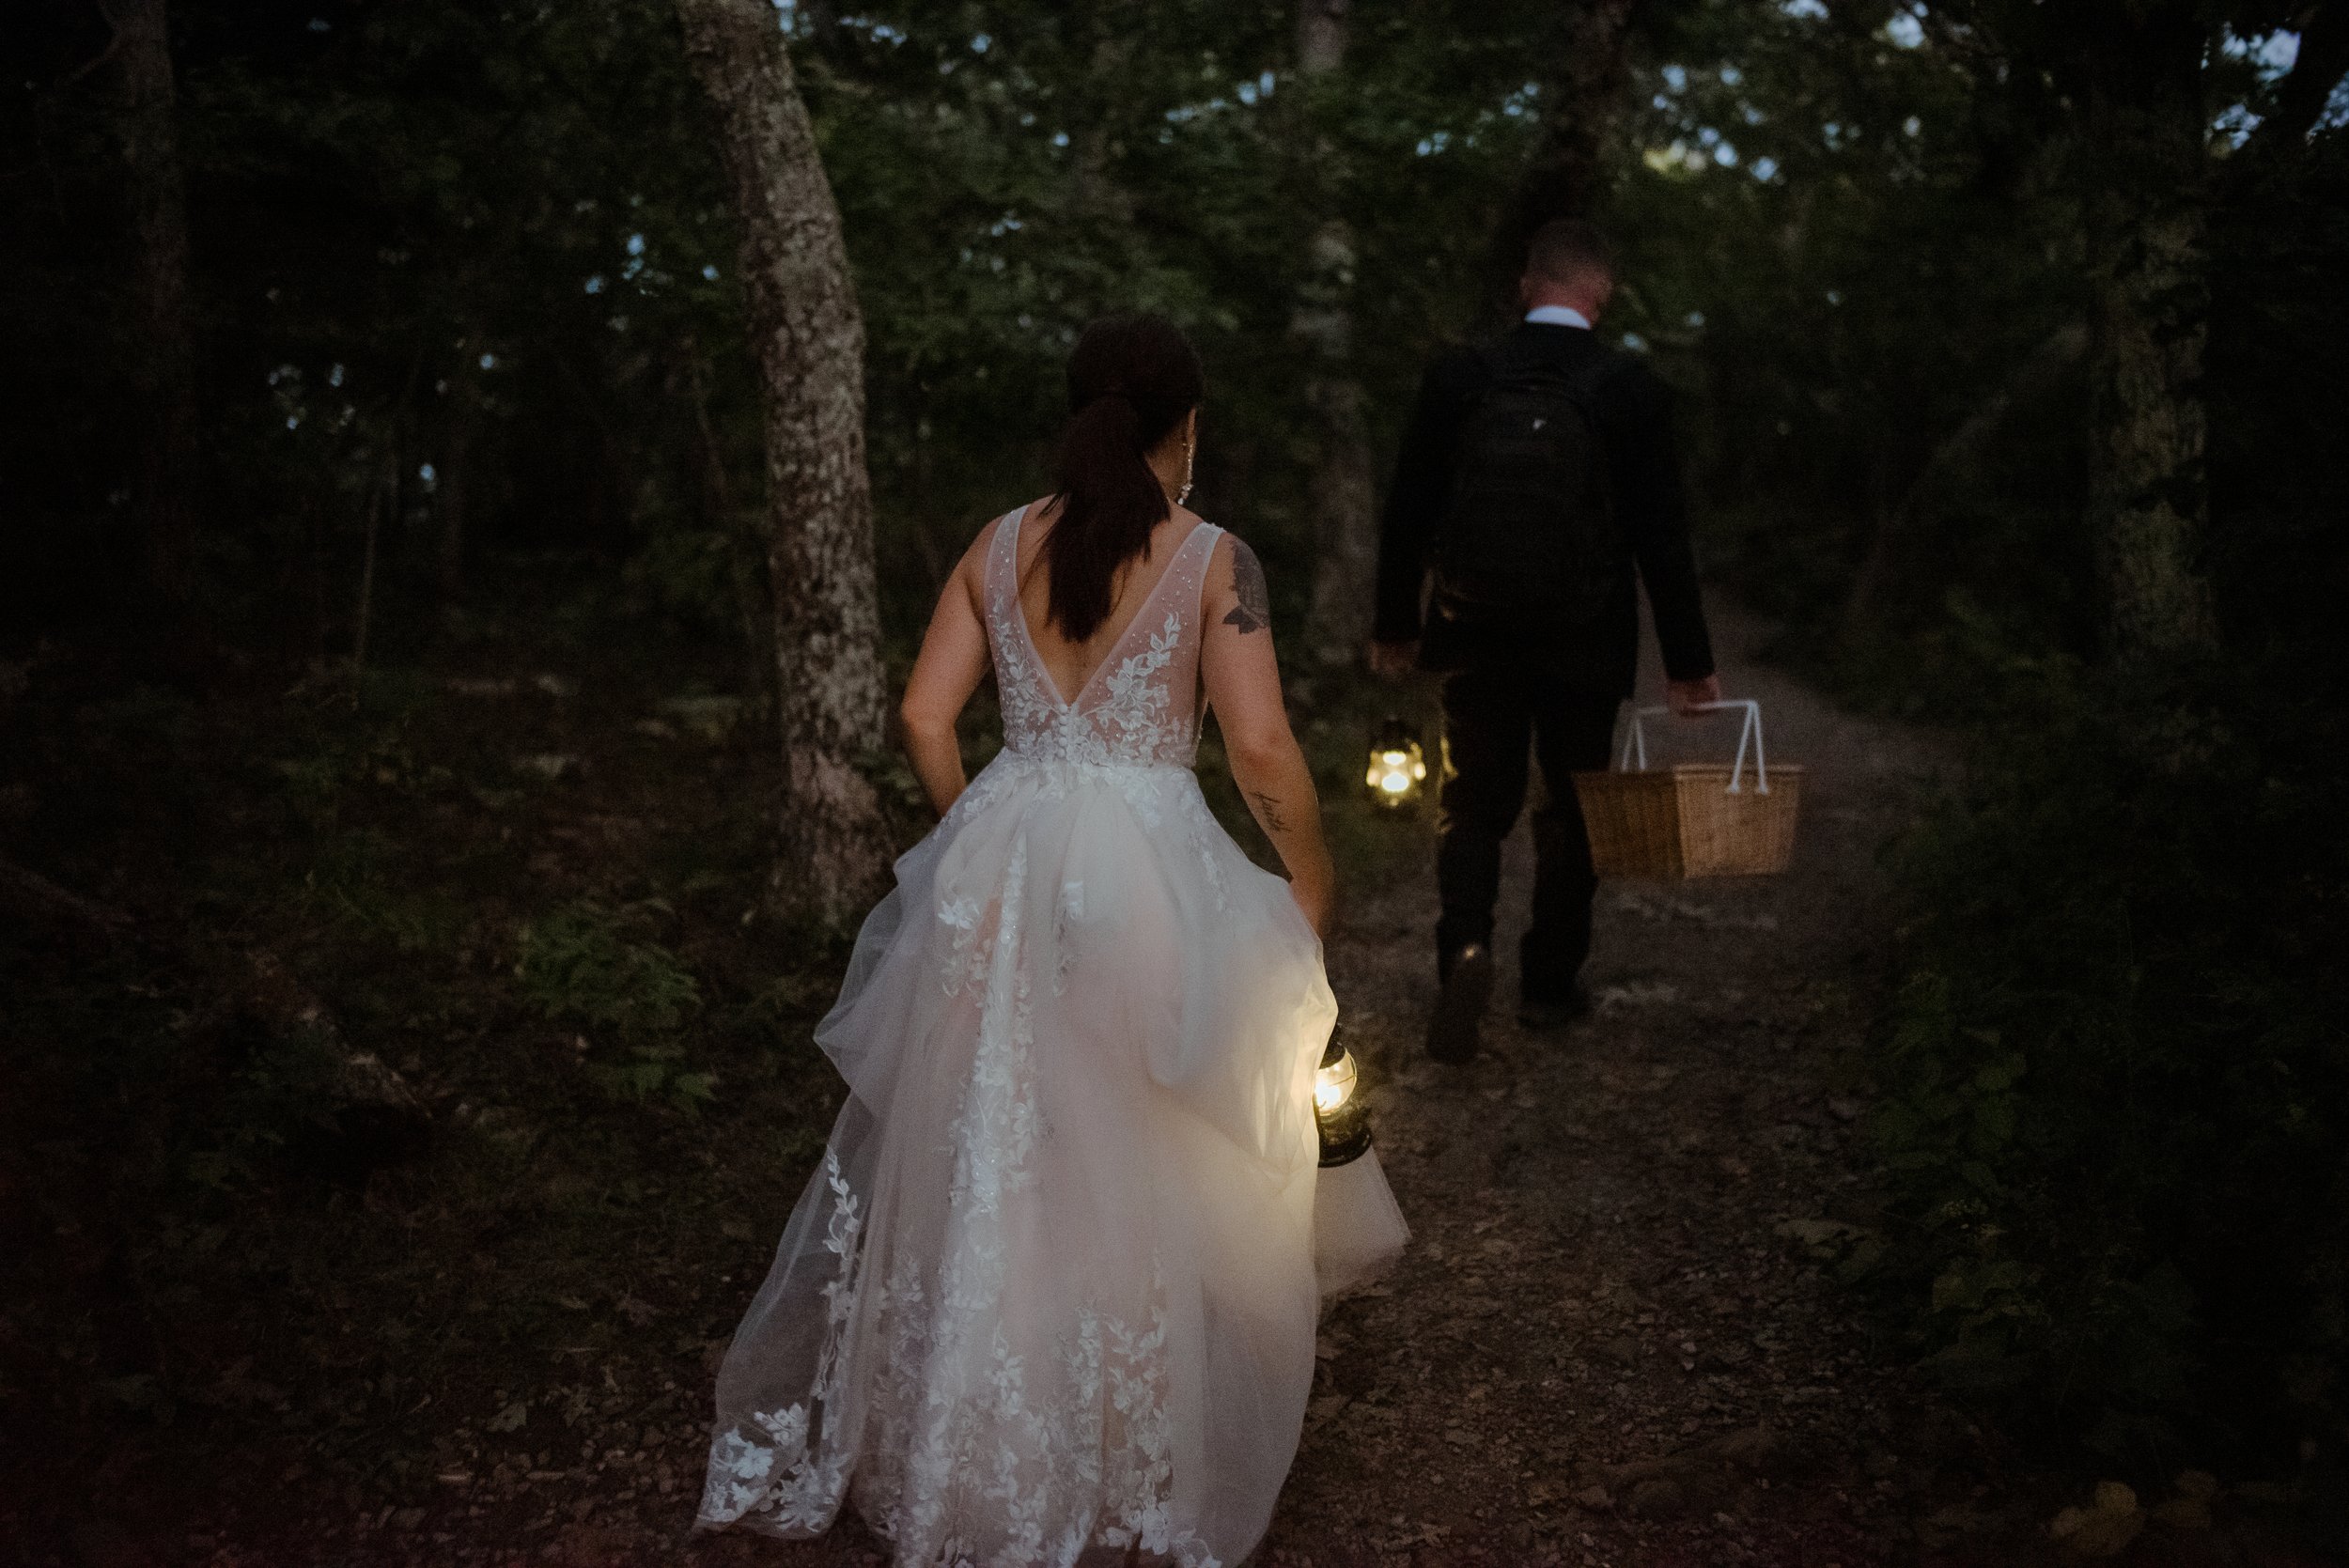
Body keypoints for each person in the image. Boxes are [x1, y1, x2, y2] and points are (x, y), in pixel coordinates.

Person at [695, 314, 1408, 1566]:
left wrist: (990, 833)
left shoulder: (994, 543)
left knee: (999, 1153)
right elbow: (1256, 748)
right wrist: (1311, 874)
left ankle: (979, 1445)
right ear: (1184, 429)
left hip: (1007, 859)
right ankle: (1129, 1445)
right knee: (1145, 1143)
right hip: (1144, 873)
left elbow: (925, 716)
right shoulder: (1211, 560)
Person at [1369, 219, 1720, 1063]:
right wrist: (1689, 663)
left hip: (1472, 629)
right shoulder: (1628, 388)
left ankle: (1463, 949)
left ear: (1528, 284)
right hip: (1585, 640)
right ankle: (1549, 988)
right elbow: (1661, 535)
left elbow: (1409, 506)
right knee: (1573, 812)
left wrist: (1395, 625)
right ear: (1602, 293)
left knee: (1471, 805)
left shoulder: (1462, 375)